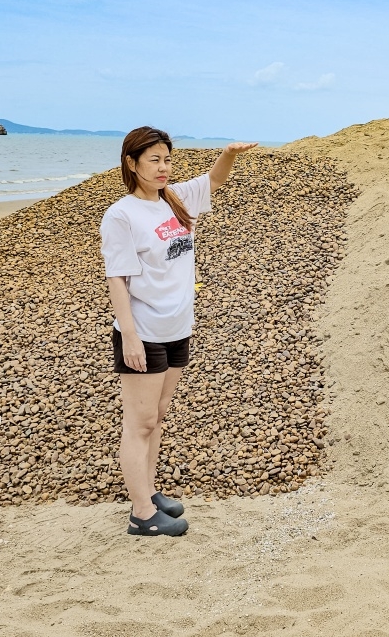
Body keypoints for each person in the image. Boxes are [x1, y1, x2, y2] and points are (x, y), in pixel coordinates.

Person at [100, 127, 257, 536]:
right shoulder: (121, 215)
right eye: (154, 160)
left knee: (159, 416)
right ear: (131, 163)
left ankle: (149, 494)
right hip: (144, 331)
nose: (163, 167)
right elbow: (117, 279)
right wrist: (130, 337)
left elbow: (215, 179)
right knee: (140, 422)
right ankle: (141, 514)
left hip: (176, 326)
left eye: (167, 159)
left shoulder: (174, 199)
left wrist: (228, 152)